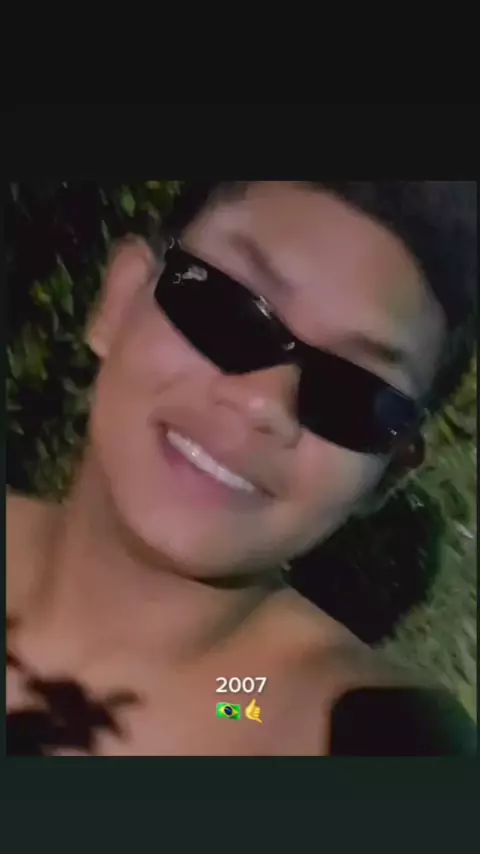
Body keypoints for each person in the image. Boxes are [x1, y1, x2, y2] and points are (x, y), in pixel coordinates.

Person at [6, 181, 477, 756]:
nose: (265, 403)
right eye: (225, 310)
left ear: (388, 474)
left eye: (353, 395)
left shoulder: (356, 733)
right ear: (120, 300)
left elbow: (237, 704)